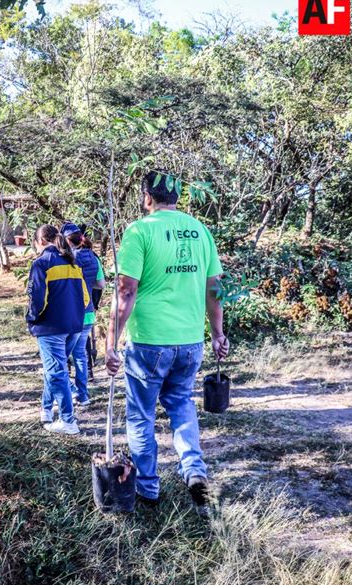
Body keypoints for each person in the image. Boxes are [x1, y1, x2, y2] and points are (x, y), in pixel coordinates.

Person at [105, 171, 229, 511]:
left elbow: (126, 290)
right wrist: (218, 334)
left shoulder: (140, 230)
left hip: (148, 342)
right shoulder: (201, 230)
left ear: (147, 196)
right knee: (181, 403)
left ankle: (148, 489)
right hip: (191, 341)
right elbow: (215, 289)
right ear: (177, 196)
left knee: (141, 415)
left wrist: (111, 341)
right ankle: (193, 470)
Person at [26, 224, 90, 434]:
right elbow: (85, 297)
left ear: (40, 241)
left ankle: (67, 420)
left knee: (56, 372)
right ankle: (45, 409)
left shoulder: (41, 263)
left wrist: (32, 319)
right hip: (74, 325)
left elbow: (37, 299)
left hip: (51, 326)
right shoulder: (72, 262)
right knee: (56, 368)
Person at [61, 223, 106, 406]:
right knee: (80, 354)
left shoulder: (69, 259)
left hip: (72, 314)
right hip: (88, 314)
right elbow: (101, 284)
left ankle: (67, 390)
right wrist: (88, 285)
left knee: (62, 355)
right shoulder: (94, 257)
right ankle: (83, 394)